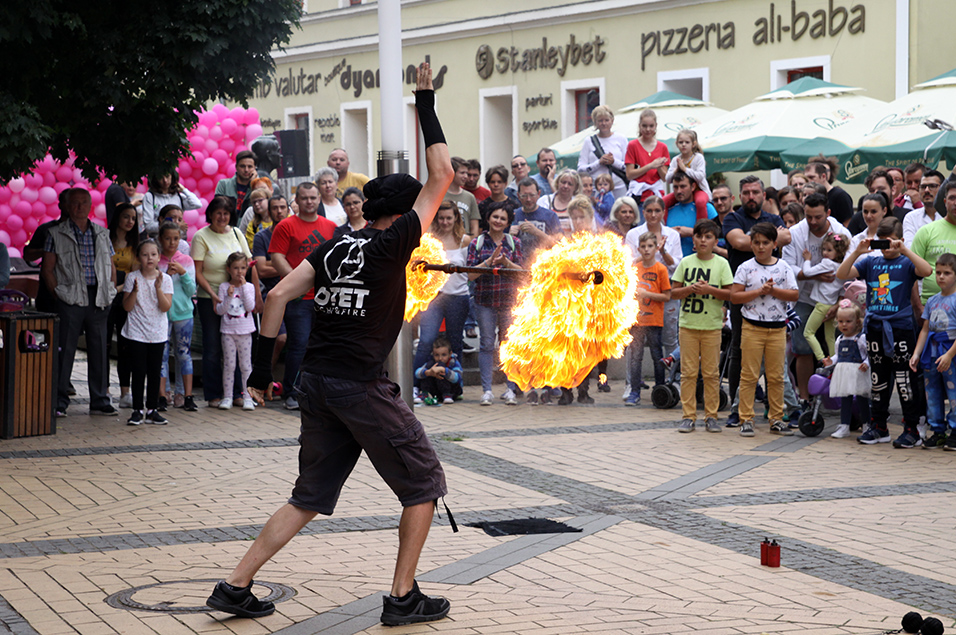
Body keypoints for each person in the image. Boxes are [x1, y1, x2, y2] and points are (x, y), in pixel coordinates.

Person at [205, 63, 454, 626]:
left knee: (310, 496)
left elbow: (275, 297)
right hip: (358, 387)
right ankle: (403, 597)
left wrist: (259, 375)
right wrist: (424, 99)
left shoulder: (335, 246)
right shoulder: (394, 242)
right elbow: (441, 172)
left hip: (314, 383)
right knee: (423, 484)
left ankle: (235, 586)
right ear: (404, 215)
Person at [836, 217, 933, 447]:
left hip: (900, 328)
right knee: (877, 378)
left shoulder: (906, 262)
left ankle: (912, 430)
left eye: (891, 242)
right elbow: (842, 274)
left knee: (905, 379)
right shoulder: (871, 262)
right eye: (882, 242)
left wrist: (905, 250)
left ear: (900, 240)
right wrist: (857, 252)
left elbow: (927, 270)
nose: (886, 248)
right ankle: (879, 426)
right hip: (875, 327)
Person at [42, 188, 118, 417]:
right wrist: (59, 294)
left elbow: (111, 266)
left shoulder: (102, 233)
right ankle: (59, 401)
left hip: (98, 297)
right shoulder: (55, 233)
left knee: (99, 349)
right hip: (70, 298)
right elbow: (47, 269)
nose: (80, 207)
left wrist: (110, 290)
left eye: (84, 202)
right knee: (65, 350)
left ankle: (100, 400)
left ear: (90, 206)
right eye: (75, 203)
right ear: (66, 206)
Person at [721, 176, 791, 426]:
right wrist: (769, 237)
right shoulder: (733, 218)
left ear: (764, 195)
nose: (751, 197)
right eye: (746, 193)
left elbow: (786, 237)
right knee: (738, 352)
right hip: (742, 296)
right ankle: (737, 409)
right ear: (740, 196)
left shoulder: (774, 217)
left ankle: (775, 412)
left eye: (755, 192)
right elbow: (738, 242)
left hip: (774, 298)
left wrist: (752, 238)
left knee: (774, 362)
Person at [268, 182, 338, 410]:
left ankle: (318, 392)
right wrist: (297, 282)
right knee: (299, 345)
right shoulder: (285, 226)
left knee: (324, 346)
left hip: (325, 298)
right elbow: (277, 257)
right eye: (304, 198)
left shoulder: (330, 226)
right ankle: (291, 392)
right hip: (298, 299)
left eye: (313, 197)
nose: (309, 201)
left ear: (319, 199)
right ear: (296, 201)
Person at [730, 223, 800, 437]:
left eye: (766, 243)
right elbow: (735, 296)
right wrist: (759, 291)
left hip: (777, 329)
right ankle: (746, 418)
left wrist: (773, 291)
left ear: (774, 244)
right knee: (749, 375)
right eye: (757, 242)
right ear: (751, 244)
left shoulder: (784, 267)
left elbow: (794, 294)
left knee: (776, 376)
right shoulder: (745, 267)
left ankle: (776, 418)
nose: (761, 247)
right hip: (752, 327)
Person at [782, 193, 852, 405]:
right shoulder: (795, 232)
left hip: (833, 299)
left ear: (828, 213)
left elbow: (850, 271)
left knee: (840, 347)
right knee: (802, 349)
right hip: (805, 297)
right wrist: (813, 275)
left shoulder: (841, 232)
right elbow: (788, 267)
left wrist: (839, 303)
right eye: (808, 216)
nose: (812, 221)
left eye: (818, 217)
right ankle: (805, 398)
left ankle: (840, 397)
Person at [192, 196, 261, 407]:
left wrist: (257, 294)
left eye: (226, 213)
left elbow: (250, 264)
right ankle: (214, 394)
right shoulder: (201, 236)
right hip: (210, 298)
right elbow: (197, 272)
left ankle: (240, 394)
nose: (222, 217)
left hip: (239, 299)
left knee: (240, 348)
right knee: (213, 346)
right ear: (210, 214)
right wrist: (213, 295)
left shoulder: (237, 233)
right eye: (218, 213)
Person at [671, 220, 733, 433]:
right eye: (699, 236)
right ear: (693, 240)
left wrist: (709, 290)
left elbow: (730, 293)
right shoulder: (686, 262)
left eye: (708, 237)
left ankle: (711, 416)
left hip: (712, 327)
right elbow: (674, 292)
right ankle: (688, 416)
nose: (703, 240)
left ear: (715, 241)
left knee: (711, 373)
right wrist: (690, 289)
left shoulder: (722, 264)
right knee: (688, 373)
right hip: (688, 325)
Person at [412, 201, 471, 404]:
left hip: (458, 297)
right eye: (441, 218)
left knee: (455, 343)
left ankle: (455, 387)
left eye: (449, 218)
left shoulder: (465, 241)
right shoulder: (430, 240)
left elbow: (470, 273)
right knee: (426, 341)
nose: (445, 222)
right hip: (434, 297)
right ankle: (417, 386)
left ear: (456, 218)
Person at [468, 205, 523, 406]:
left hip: (509, 301)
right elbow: (470, 274)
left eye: (502, 218)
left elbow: (522, 273)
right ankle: (487, 391)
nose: (498, 221)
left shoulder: (514, 243)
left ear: (508, 222)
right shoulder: (477, 243)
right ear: (488, 218)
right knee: (486, 344)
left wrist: (506, 263)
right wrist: (489, 262)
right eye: (495, 217)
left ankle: (510, 389)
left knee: (509, 345)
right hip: (485, 301)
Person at [121, 240, 173, 425]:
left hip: (157, 333)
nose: (149, 258)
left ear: (159, 257)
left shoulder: (165, 279)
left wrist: (158, 288)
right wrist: (134, 292)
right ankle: (137, 410)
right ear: (138, 258)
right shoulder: (132, 278)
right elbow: (127, 306)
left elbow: (165, 307)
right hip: (136, 332)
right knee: (138, 371)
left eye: (153, 254)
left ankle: (152, 409)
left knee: (154, 371)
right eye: (144, 254)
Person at [910, 253, 956, 450]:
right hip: (932, 353)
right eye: (938, 273)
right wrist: (916, 353)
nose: (941, 277)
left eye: (947, 273)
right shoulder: (932, 301)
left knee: (954, 392)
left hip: (950, 352)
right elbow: (925, 329)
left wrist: (950, 354)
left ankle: (955, 431)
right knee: (932, 392)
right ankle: (937, 431)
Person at [626, 195, 682, 355]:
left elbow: (677, 265)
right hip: (641, 289)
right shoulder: (633, 234)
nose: (653, 215)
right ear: (643, 212)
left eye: (657, 211)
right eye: (649, 211)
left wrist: (662, 251)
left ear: (663, 212)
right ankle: (634, 373)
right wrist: (645, 254)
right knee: (636, 340)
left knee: (670, 337)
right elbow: (627, 263)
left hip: (666, 287)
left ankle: (671, 370)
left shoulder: (672, 235)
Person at [626, 232, 672, 406]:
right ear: (638, 249)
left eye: (650, 246)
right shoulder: (634, 268)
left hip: (654, 321)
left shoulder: (661, 269)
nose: (646, 250)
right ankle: (634, 392)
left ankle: (659, 391)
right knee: (635, 357)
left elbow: (667, 296)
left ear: (656, 248)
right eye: (643, 246)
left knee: (657, 356)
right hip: (636, 321)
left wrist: (647, 294)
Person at [252, 195, 291, 402]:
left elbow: (268, 266)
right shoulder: (261, 237)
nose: (279, 211)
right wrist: (289, 265)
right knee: (280, 338)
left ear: (288, 209)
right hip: (271, 292)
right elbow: (261, 270)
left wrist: (274, 263)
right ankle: (264, 379)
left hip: (298, 292)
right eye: (275, 208)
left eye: (282, 207)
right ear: (269, 211)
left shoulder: (293, 232)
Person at [158, 221, 197, 412]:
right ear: (160, 239)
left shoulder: (187, 261)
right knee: (162, 355)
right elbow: (154, 287)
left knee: (183, 354)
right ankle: (163, 393)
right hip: (162, 314)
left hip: (183, 314)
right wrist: (165, 274)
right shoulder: (156, 260)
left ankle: (185, 394)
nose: (172, 242)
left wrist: (183, 273)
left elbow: (191, 290)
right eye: (167, 238)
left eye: (175, 238)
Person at [215, 253, 257, 412]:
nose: (239, 272)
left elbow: (250, 307)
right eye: (236, 268)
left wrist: (244, 287)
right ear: (228, 269)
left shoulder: (249, 287)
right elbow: (220, 310)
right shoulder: (223, 287)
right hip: (228, 332)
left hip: (245, 332)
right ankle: (227, 397)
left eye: (243, 268)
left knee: (246, 366)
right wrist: (228, 297)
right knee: (229, 365)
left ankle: (248, 397)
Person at [107, 203, 139, 409]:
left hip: (125, 297)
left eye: (133, 218)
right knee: (103, 344)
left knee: (126, 345)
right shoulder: (105, 240)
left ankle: (125, 391)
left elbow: (134, 275)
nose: (130, 221)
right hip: (104, 298)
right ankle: (104, 389)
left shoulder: (134, 244)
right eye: (126, 216)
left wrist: (117, 288)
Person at [801, 232, 849, 365]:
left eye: (829, 250)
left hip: (822, 305)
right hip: (832, 305)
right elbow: (843, 287)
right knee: (830, 337)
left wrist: (807, 260)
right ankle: (834, 360)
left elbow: (807, 272)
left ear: (838, 252)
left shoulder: (827, 264)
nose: (825, 253)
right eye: (824, 249)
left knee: (808, 333)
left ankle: (822, 359)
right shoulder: (842, 267)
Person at [913, 181, 956, 319]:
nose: (955, 202)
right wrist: (918, 307)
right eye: (952, 198)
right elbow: (910, 272)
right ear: (945, 202)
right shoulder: (926, 231)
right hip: (931, 309)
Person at [828, 301, 871, 439]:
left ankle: (866, 424)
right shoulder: (839, 339)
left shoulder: (861, 338)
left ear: (857, 322)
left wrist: (866, 363)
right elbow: (838, 355)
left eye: (848, 321)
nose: (844, 325)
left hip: (858, 372)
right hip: (844, 374)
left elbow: (869, 354)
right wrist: (831, 361)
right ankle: (844, 425)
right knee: (845, 399)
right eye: (840, 321)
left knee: (862, 399)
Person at [577, 104, 629, 199]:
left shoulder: (621, 139)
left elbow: (629, 167)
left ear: (612, 121)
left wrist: (614, 162)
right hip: (596, 189)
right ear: (595, 122)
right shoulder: (589, 141)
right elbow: (580, 169)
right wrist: (598, 163)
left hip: (618, 187)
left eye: (606, 120)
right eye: (600, 121)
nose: (604, 123)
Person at [509, 178, 562, 268]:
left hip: (544, 267)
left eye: (532, 195)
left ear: (538, 194)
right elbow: (501, 245)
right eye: (524, 196)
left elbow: (560, 245)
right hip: (518, 267)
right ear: (518, 196)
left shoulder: (550, 216)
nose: (528, 199)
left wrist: (537, 232)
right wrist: (509, 236)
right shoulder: (512, 215)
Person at [664, 172, 717, 257]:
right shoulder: (666, 209)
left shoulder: (707, 208)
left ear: (693, 187)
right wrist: (670, 232)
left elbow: (717, 238)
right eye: (675, 187)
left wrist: (692, 232)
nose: (679, 191)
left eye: (683, 186)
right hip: (671, 263)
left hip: (700, 261)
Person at [663, 129, 711, 221]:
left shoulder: (698, 157)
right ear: (677, 144)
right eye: (681, 142)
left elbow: (700, 176)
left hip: (699, 190)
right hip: (682, 191)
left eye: (687, 142)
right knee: (662, 202)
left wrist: (685, 169)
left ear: (693, 144)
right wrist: (676, 170)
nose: (684, 144)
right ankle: (663, 226)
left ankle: (701, 226)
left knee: (700, 202)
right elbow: (668, 179)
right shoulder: (675, 159)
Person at [625, 108, 669, 204]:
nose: (648, 129)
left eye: (651, 126)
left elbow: (665, 178)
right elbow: (629, 174)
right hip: (638, 195)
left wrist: (659, 167)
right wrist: (650, 166)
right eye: (644, 126)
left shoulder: (662, 147)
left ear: (656, 126)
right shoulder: (633, 145)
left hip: (655, 195)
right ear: (639, 126)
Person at [805, 155, 854, 226]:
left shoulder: (840, 196)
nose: (808, 181)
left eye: (811, 177)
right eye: (806, 178)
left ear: (823, 176)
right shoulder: (806, 195)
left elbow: (848, 224)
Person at [415, 336, 463, 405]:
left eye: (444, 355)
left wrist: (444, 370)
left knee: (441, 365)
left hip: (452, 390)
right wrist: (428, 372)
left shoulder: (453, 362)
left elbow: (458, 378)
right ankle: (424, 393)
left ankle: (447, 394)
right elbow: (417, 373)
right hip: (437, 390)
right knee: (429, 367)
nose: (440, 358)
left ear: (450, 354)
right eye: (437, 355)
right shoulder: (432, 362)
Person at [215, 150, 258, 226]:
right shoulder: (223, 184)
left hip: (248, 230)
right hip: (225, 228)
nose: (246, 170)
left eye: (250, 167)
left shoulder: (258, 187)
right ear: (236, 167)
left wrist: (254, 184)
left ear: (255, 168)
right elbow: (217, 209)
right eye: (242, 166)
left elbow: (260, 211)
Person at [902, 169, 944, 246]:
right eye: (923, 187)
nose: (926, 190)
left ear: (943, 189)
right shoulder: (911, 217)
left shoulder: (951, 215)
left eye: (932, 186)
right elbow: (909, 247)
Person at [444, 157, 480, 237]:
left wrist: (472, 241)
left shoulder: (470, 197)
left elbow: (474, 225)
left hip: (464, 240)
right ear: (452, 173)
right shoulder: (440, 195)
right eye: (462, 173)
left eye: (466, 173)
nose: (466, 176)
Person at [538, 168, 582, 236]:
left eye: (570, 184)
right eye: (563, 182)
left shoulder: (579, 204)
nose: (566, 186)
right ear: (557, 182)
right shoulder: (543, 201)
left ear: (576, 187)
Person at [848, 192, 889, 258]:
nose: (869, 216)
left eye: (873, 212)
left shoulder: (890, 238)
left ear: (884, 211)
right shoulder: (856, 239)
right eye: (865, 212)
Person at [478, 165, 518, 231]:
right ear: (488, 184)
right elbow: (480, 229)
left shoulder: (514, 205)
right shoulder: (482, 206)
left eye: (499, 182)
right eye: (492, 182)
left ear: (505, 183)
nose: (496, 185)